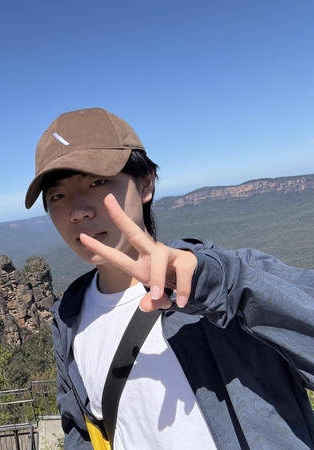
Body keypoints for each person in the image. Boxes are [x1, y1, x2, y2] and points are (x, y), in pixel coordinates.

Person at [25, 107, 314, 449]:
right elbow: (82, 431)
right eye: (57, 196)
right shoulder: (68, 321)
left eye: (97, 182)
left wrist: (215, 285)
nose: (77, 211)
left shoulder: (234, 277)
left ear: (146, 182)